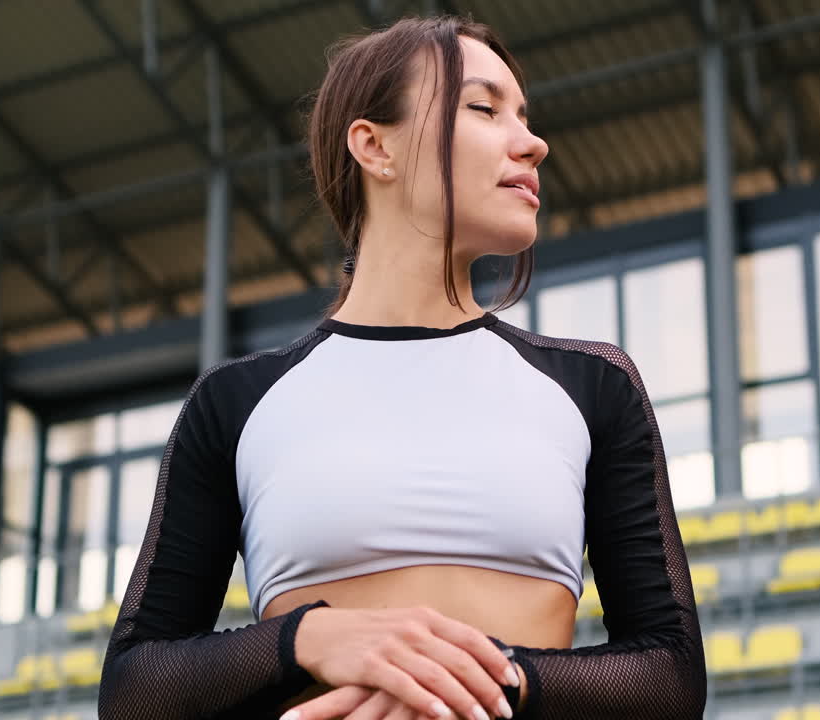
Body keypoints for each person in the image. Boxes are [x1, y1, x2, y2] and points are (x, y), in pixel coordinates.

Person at [97, 14, 705, 720]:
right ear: (374, 146)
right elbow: (132, 691)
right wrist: (308, 638)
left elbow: (672, 679)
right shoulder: (235, 401)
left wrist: (475, 679)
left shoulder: (596, 386)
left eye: (524, 116)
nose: (532, 142)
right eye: (484, 109)